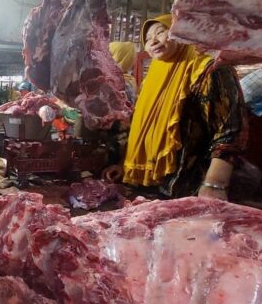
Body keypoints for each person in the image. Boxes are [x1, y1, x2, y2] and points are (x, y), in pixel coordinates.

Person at [102, 14, 247, 200]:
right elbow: (143, 128)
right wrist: (124, 164)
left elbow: (230, 129)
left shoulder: (209, 70)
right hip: (147, 185)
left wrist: (215, 183)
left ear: (180, 34)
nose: (152, 41)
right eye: (146, 39)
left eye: (161, 32)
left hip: (188, 186)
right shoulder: (152, 77)